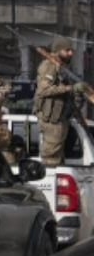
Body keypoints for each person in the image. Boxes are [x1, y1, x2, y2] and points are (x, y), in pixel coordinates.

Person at [34, 37, 88, 167]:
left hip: (61, 119)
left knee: (58, 158)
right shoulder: (49, 66)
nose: (71, 53)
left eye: (72, 50)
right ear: (58, 50)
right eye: (67, 50)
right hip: (51, 120)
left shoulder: (61, 67)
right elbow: (44, 90)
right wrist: (69, 88)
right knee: (51, 159)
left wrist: (77, 92)